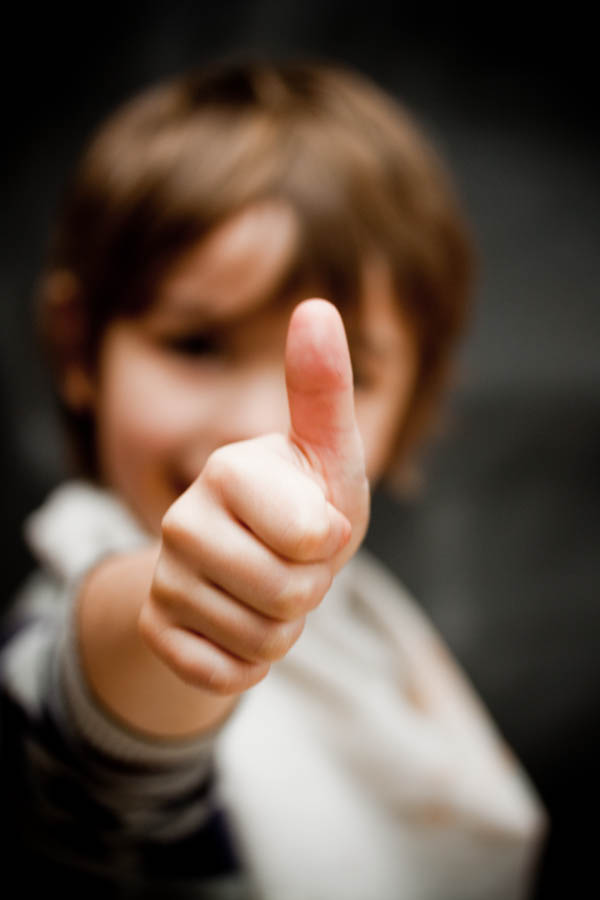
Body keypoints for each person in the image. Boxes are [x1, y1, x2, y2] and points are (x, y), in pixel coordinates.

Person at [0, 60, 546, 899]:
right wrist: (168, 606)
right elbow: (105, 733)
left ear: (417, 399)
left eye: (351, 373)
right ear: (80, 349)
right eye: (196, 345)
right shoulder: (73, 608)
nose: (259, 433)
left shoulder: (369, 623)